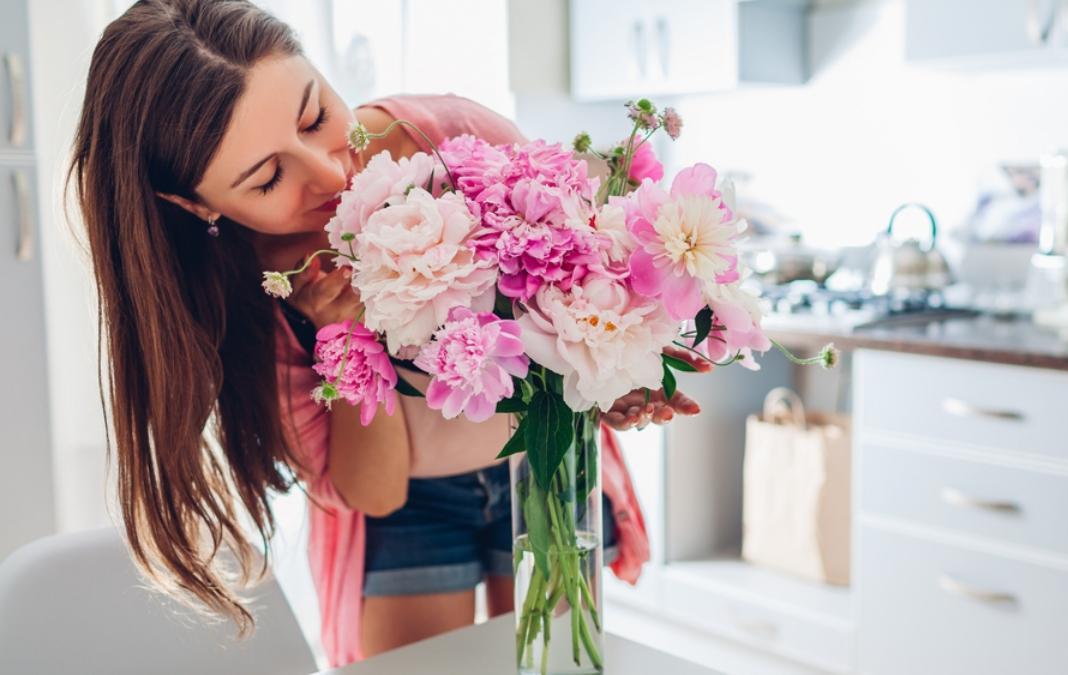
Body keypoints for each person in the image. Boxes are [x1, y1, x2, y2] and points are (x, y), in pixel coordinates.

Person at [70, 0, 705, 666]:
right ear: (198, 204)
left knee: (561, 663)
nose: (328, 172)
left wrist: (620, 377)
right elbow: (378, 492)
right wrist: (343, 334)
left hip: (541, 463)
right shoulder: (246, 306)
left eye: (315, 115)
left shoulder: (451, 136)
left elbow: (582, 286)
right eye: (268, 178)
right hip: (409, 511)